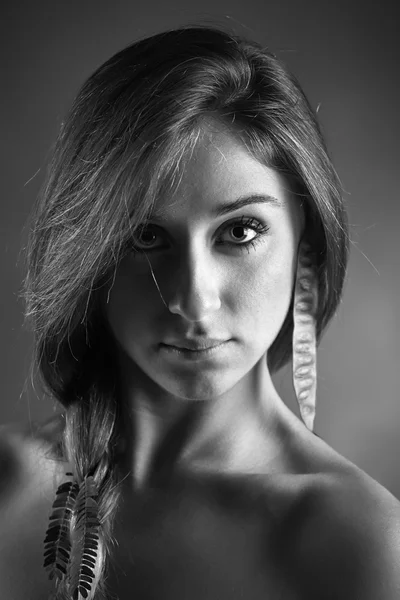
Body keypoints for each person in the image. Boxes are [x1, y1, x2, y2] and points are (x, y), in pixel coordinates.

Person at [0, 23, 399, 600]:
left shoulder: (357, 542)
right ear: (85, 251)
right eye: (144, 236)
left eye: (240, 231)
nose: (192, 299)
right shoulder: (9, 484)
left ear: (305, 245)